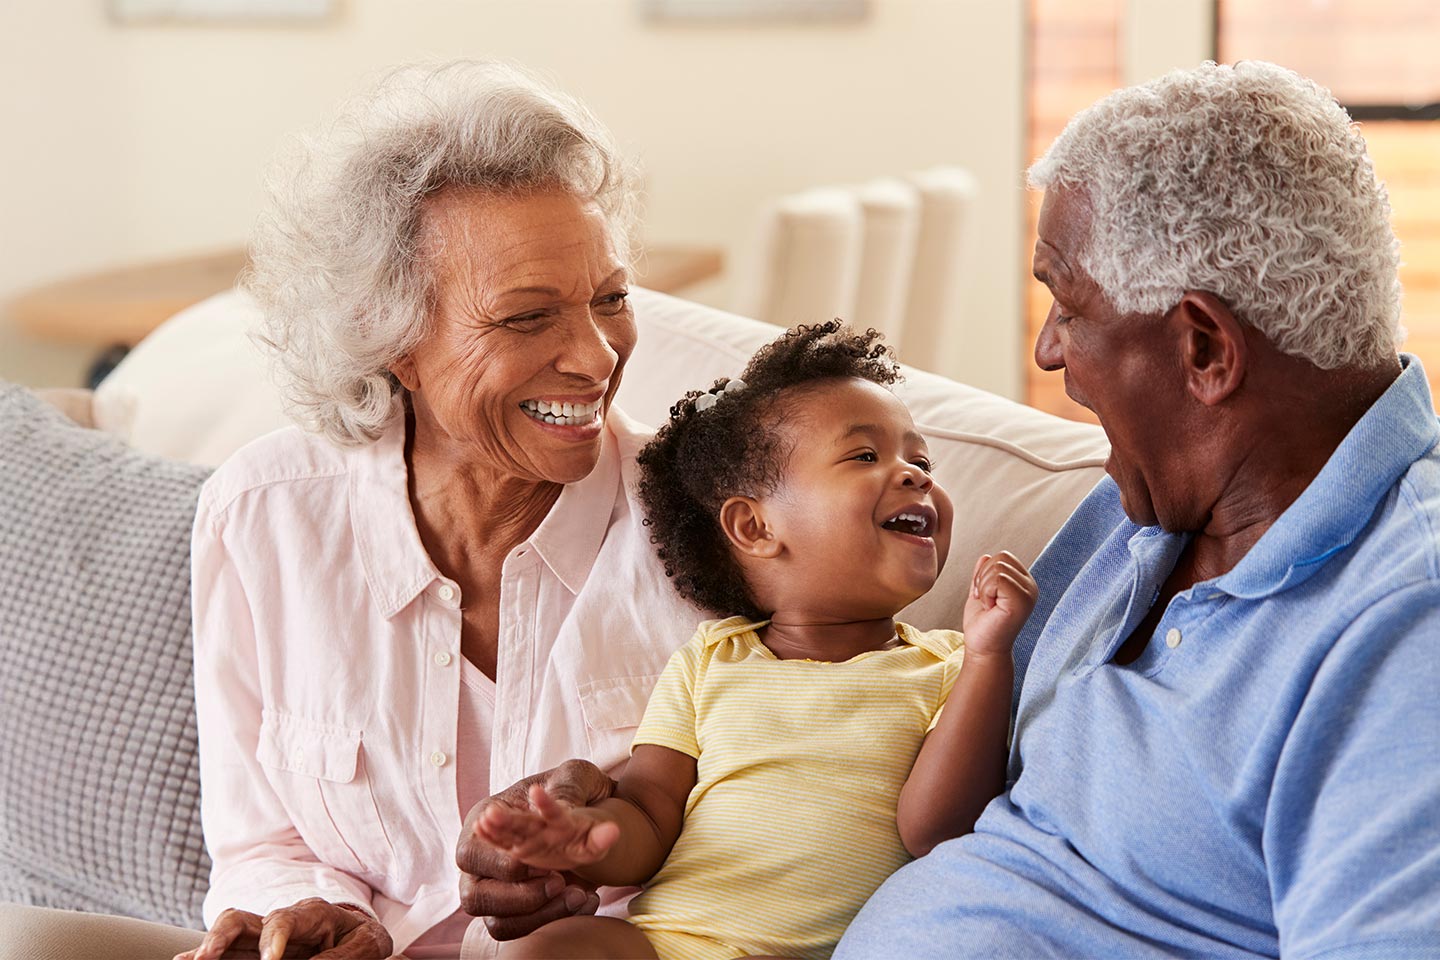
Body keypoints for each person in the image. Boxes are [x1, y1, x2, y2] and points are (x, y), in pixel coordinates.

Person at [0, 59, 707, 960]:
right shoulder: (263, 517)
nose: (597, 355)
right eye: (528, 317)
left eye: (610, 300)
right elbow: (261, 843)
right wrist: (319, 915)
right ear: (393, 340)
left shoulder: (709, 525)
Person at [834, 61, 1440, 959]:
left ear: (1204, 349)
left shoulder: (1405, 627)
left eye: (1067, 304)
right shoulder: (1145, 507)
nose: (1047, 351)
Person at [470, 321, 1039, 960]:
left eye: (922, 461)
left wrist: (989, 655)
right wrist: (584, 838)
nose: (915, 476)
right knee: (541, 949)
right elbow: (649, 815)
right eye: (864, 456)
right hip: (669, 943)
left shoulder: (950, 666)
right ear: (755, 527)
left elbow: (935, 831)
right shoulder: (709, 660)